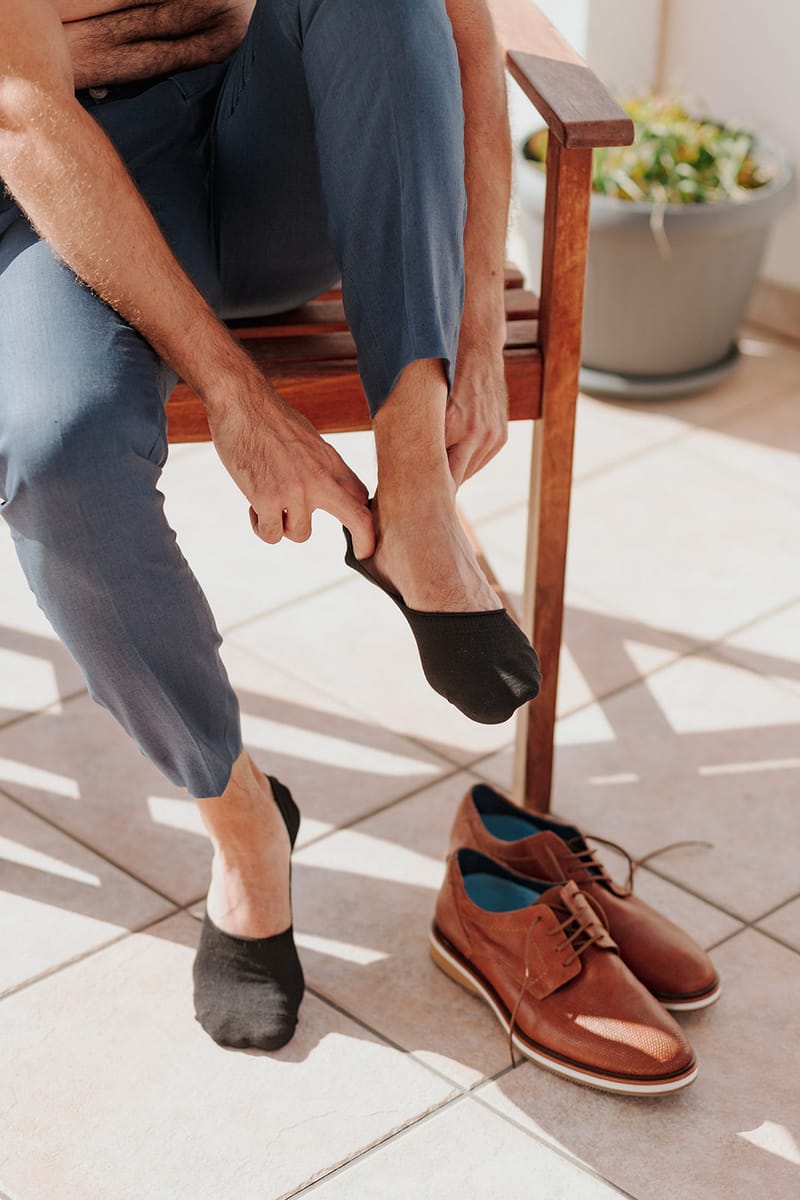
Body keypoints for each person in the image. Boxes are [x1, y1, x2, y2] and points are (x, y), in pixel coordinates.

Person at [0, 0, 538, 1048]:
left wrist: (472, 311)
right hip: (59, 177)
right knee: (56, 454)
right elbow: (24, 107)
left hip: (260, 156)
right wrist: (239, 399)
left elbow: (458, 24)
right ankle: (243, 823)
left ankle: (417, 508)